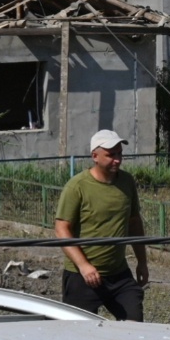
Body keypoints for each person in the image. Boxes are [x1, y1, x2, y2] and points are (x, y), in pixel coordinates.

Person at [54, 129, 148, 320]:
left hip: (118, 274)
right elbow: (61, 228)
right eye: (111, 155)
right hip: (83, 276)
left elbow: (134, 222)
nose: (117, 159)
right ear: (95, 156)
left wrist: (142, 262)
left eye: (119, 154)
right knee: (80, 334)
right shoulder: (77, 187)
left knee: (134, 324)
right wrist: (84, 266)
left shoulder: (127, 182)